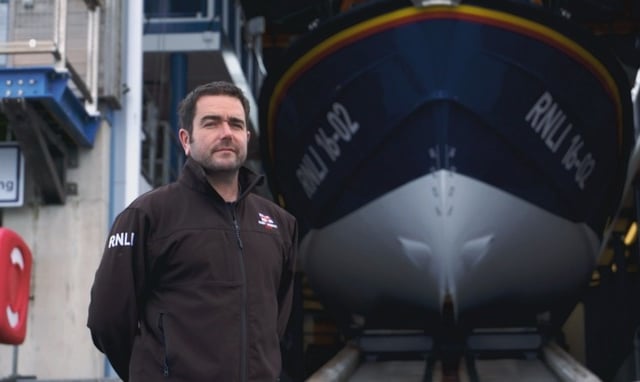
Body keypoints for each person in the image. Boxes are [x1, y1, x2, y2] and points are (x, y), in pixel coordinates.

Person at [87, 81, 298, 381]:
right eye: (211, 123)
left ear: (246, 138)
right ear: (186, 139)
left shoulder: (279, 224)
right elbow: (107, 321)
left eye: (235, 124)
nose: (226, 132)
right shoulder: (148, 216)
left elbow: (276, 324)